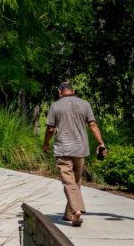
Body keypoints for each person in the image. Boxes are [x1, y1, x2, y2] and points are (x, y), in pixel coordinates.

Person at [42, 82, 107, 227]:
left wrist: (46, 143)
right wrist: (101, 143)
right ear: (73, 91)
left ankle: (77, 210)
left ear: (60, 92)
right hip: (80, 149)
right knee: (76, 183)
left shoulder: (55, 106)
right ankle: (69, 214)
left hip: (64, 149)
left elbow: (51, 129)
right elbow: (92, 125)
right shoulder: (85, 104)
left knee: (69, 182)